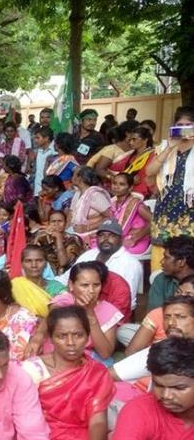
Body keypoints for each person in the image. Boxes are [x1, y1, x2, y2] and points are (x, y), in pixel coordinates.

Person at [23, 306, 113, 440]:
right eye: (62, 336)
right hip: (45, 438)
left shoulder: (96, 371)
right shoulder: (32, 370)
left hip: (88, 439)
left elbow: (98, 421)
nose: (71, 343)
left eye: (78, 335)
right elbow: (23, 421)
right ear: (51, 339)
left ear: (88, 336)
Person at [57, 218, 144, 312]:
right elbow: (65, 279)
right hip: (78, 307)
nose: (106, 239)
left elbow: (126, 302)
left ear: (121, 239)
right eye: (101, 235)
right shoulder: (89, 255)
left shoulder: (131, 264)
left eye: (112, 235)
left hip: (113, 314)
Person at [145, 104, 194, 243]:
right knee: (163, 248)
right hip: (166, 205)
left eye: (189, 125)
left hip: (190, 205)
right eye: (180, 125)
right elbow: (149, 172)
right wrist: (169, 147)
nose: (184, 128)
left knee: (188, 251)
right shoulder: (164, 147)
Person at [12, 244, 66, 318]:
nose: (34, 265)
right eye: (28, 261)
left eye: (39, 260)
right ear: (22, 264)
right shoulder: (14, 286)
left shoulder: (57, 288)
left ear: (46, 264)